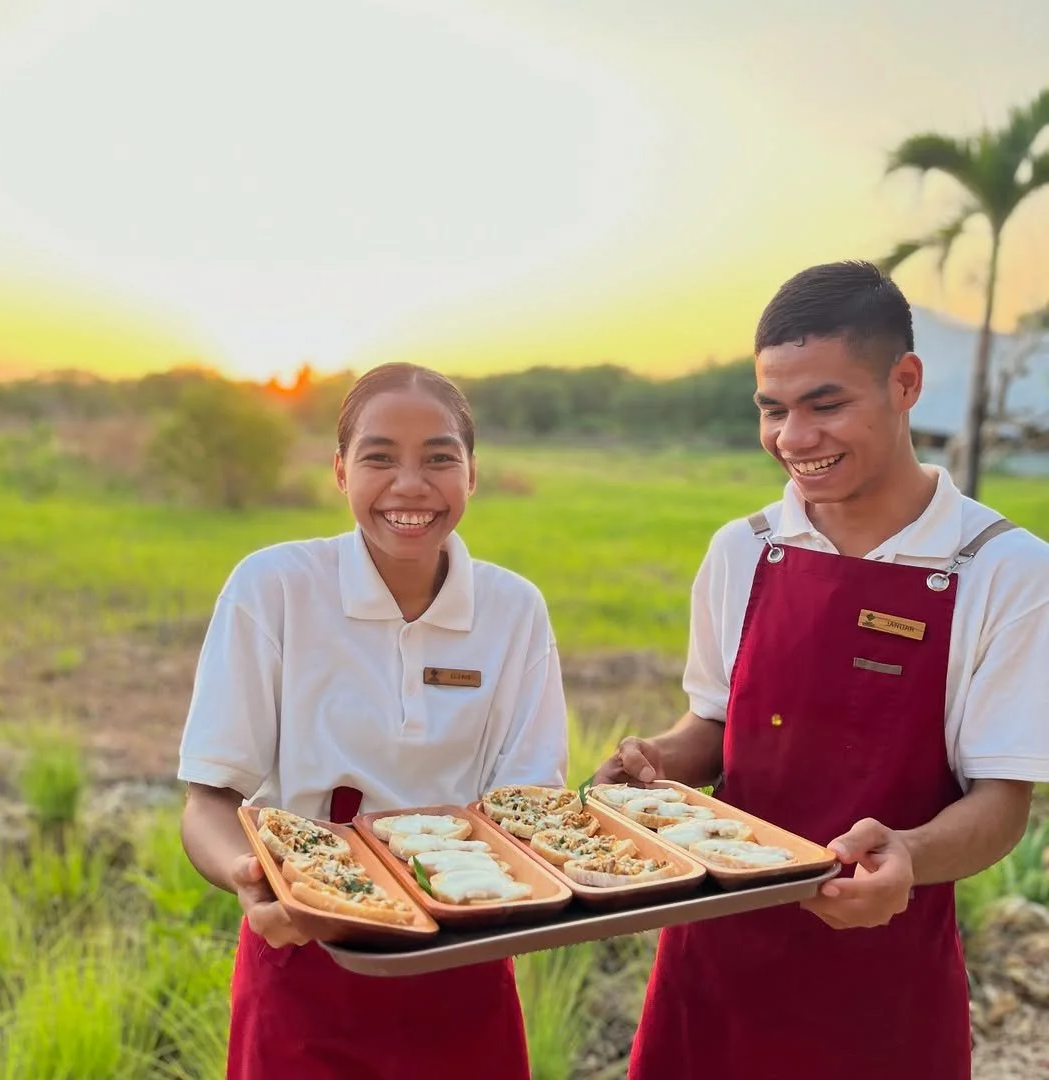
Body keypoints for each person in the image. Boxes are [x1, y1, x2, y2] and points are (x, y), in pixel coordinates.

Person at [593, 261, 1049, 1080]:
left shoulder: (1004, 570)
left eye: (826, 404)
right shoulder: (744, 549)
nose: (794, 438)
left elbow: (1002, 803)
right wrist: (658, 763)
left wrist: (906, 855)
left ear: (905, 383)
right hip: (714, 964)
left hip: (881, 981)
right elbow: (714, 725)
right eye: (773, 409)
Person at [177, 362, 569, 1080]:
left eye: (440, 458)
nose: (410, 485)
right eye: (379, 457)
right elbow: (210, 798)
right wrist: (252, 875)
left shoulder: (513, 611)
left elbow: (530, 806)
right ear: (340, 471)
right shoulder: (275, 589)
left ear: (473, 474)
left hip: (465, 945)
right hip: (308, 945)